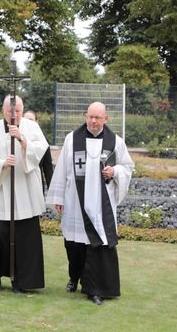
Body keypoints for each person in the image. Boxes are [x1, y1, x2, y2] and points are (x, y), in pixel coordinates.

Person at [45, 102, 134, 305]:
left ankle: (93, 287)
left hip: (100, 204)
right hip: (75, 200)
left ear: (106, 119)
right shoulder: (72, 139)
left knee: (96, 245)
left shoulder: (116, 142)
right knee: (74, 245)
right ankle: (74, 277)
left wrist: (115, 172)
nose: (93, 121)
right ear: (86, 116)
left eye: (97, 118)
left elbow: (127, 167)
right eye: (90, 117)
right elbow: (62, 170)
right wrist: (58, 197)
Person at [0, 95, 48, 293]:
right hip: (2, 190)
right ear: (3, 110)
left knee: (25, 237)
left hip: (25, 190)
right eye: (10, 111)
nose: (14, 115)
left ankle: (22, 281)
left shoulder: (32, 128)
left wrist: (23, 140)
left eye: (17, 111)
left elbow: (41, 150)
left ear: (22, 111)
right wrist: (2, 163)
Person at [23, 111, 54, 193]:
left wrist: (53, 194)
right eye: (25, 120)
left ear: (36, 122)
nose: (28, 123)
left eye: (31, 120)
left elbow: (48, 168)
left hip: (37, 186)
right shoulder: (16, 140)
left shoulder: (43, 142)